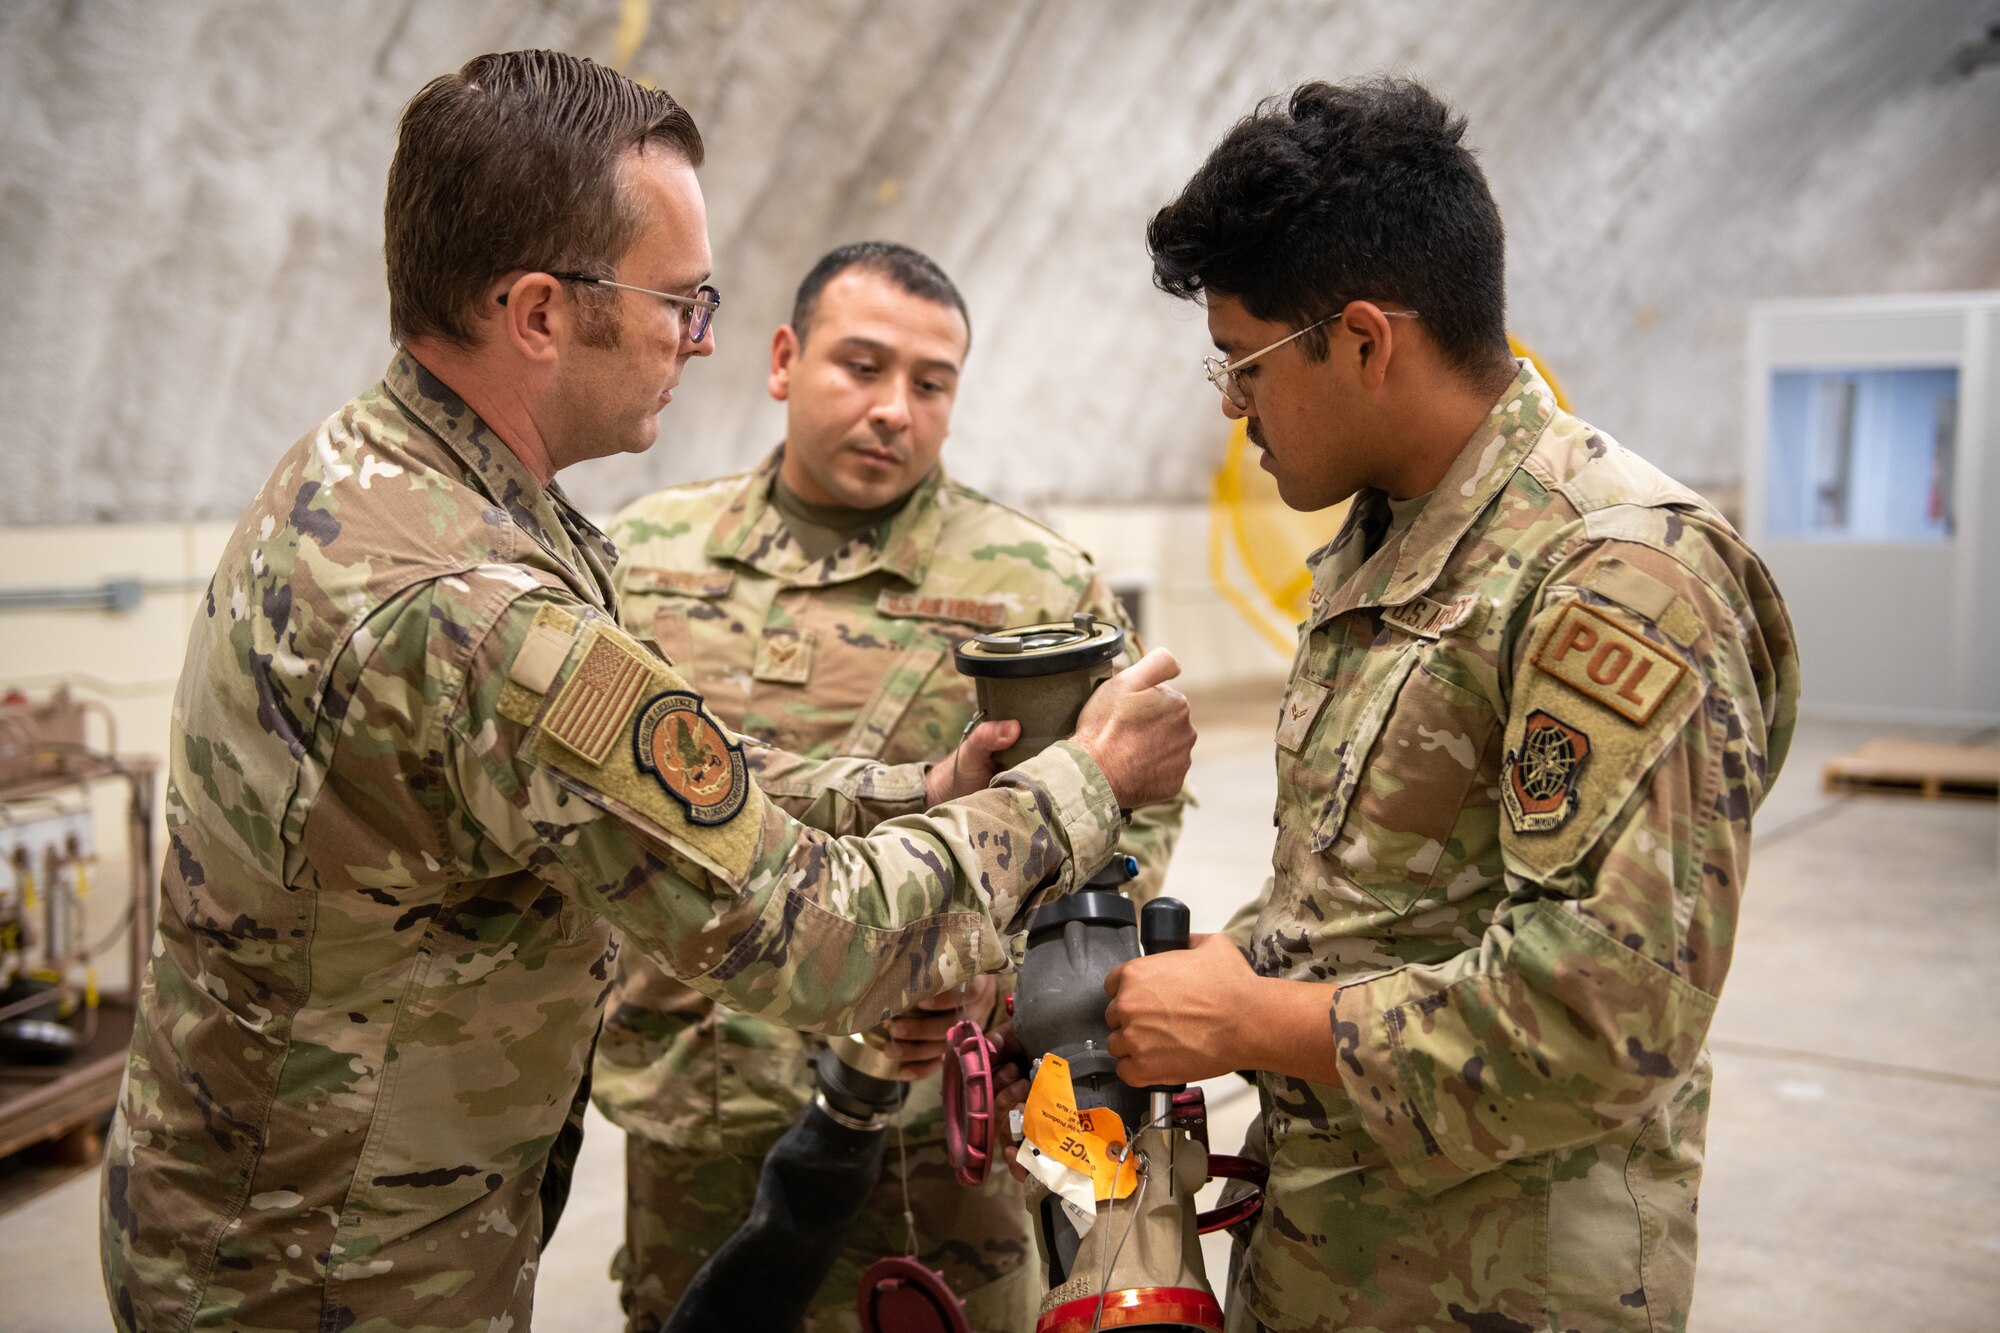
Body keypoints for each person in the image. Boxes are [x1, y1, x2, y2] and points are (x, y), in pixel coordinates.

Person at [97, 50, 1195, 1333]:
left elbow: (665, 787)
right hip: (333, 1268)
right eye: (680, 298)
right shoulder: (480, 613)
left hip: (279, 1209)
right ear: (540, 313)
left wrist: (915, 791)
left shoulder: (378, 476)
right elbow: (815, 933)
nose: (699, 336)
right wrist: (1081, 782)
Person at [1100, 78, 1799, 1332]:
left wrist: (1253, 1017)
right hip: (1339, 1249)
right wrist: (1235, 963)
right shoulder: (1387, 541)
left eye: (1244, 361)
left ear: (1365, 341)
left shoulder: (1614, 576)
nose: (1229, 404)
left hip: (1500, 1283)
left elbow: (1605, 1011)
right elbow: (1373, 898)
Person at [593, 240, 1189, 1331]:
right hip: (698, 1102)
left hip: (931, 1134)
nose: (892, 410)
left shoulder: (1032, 584)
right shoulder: (644, 559)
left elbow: (1129, 816)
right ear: (782, 359)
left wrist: (1000, 985)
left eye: (930, 382)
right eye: (859, 367)